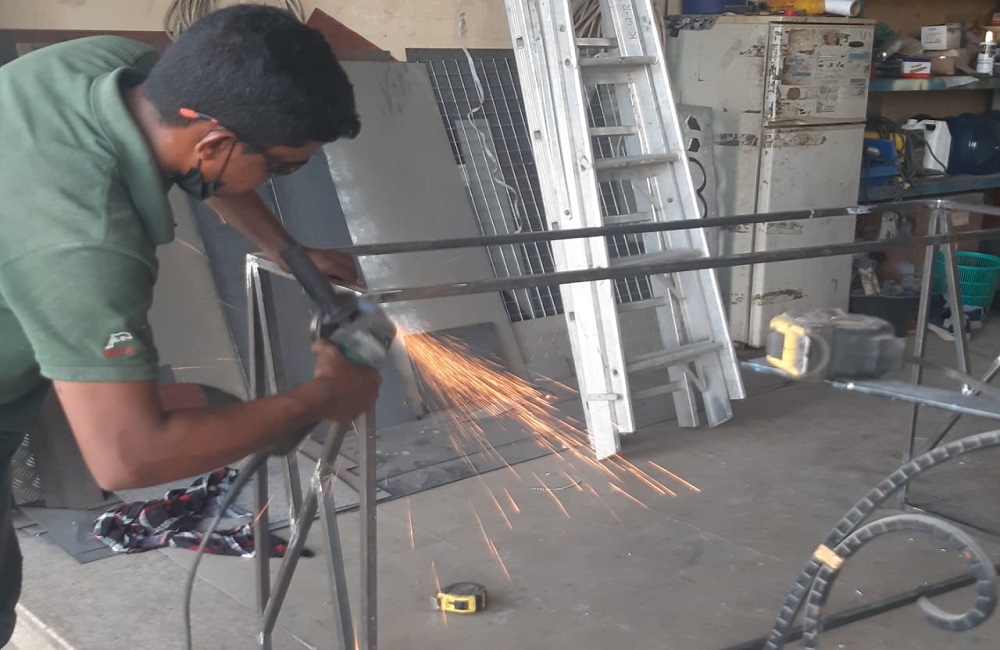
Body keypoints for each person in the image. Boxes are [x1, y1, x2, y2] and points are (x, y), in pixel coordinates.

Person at [0, 5, 383, 645]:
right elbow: (128, 458)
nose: (280, 179)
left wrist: (289, 252)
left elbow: (209, 163)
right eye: (282, 166)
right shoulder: (88, 245)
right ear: (211, 141)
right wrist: (322, 397)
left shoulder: (114, 68)